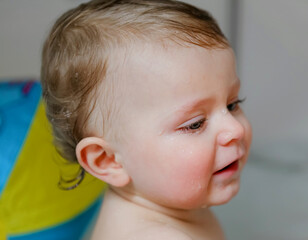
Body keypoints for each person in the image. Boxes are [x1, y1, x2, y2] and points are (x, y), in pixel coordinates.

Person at [41, 0, 252, 239]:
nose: (235, 129)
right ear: (108, 160)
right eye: (195, 124)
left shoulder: (155, 201)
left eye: (232, 104)